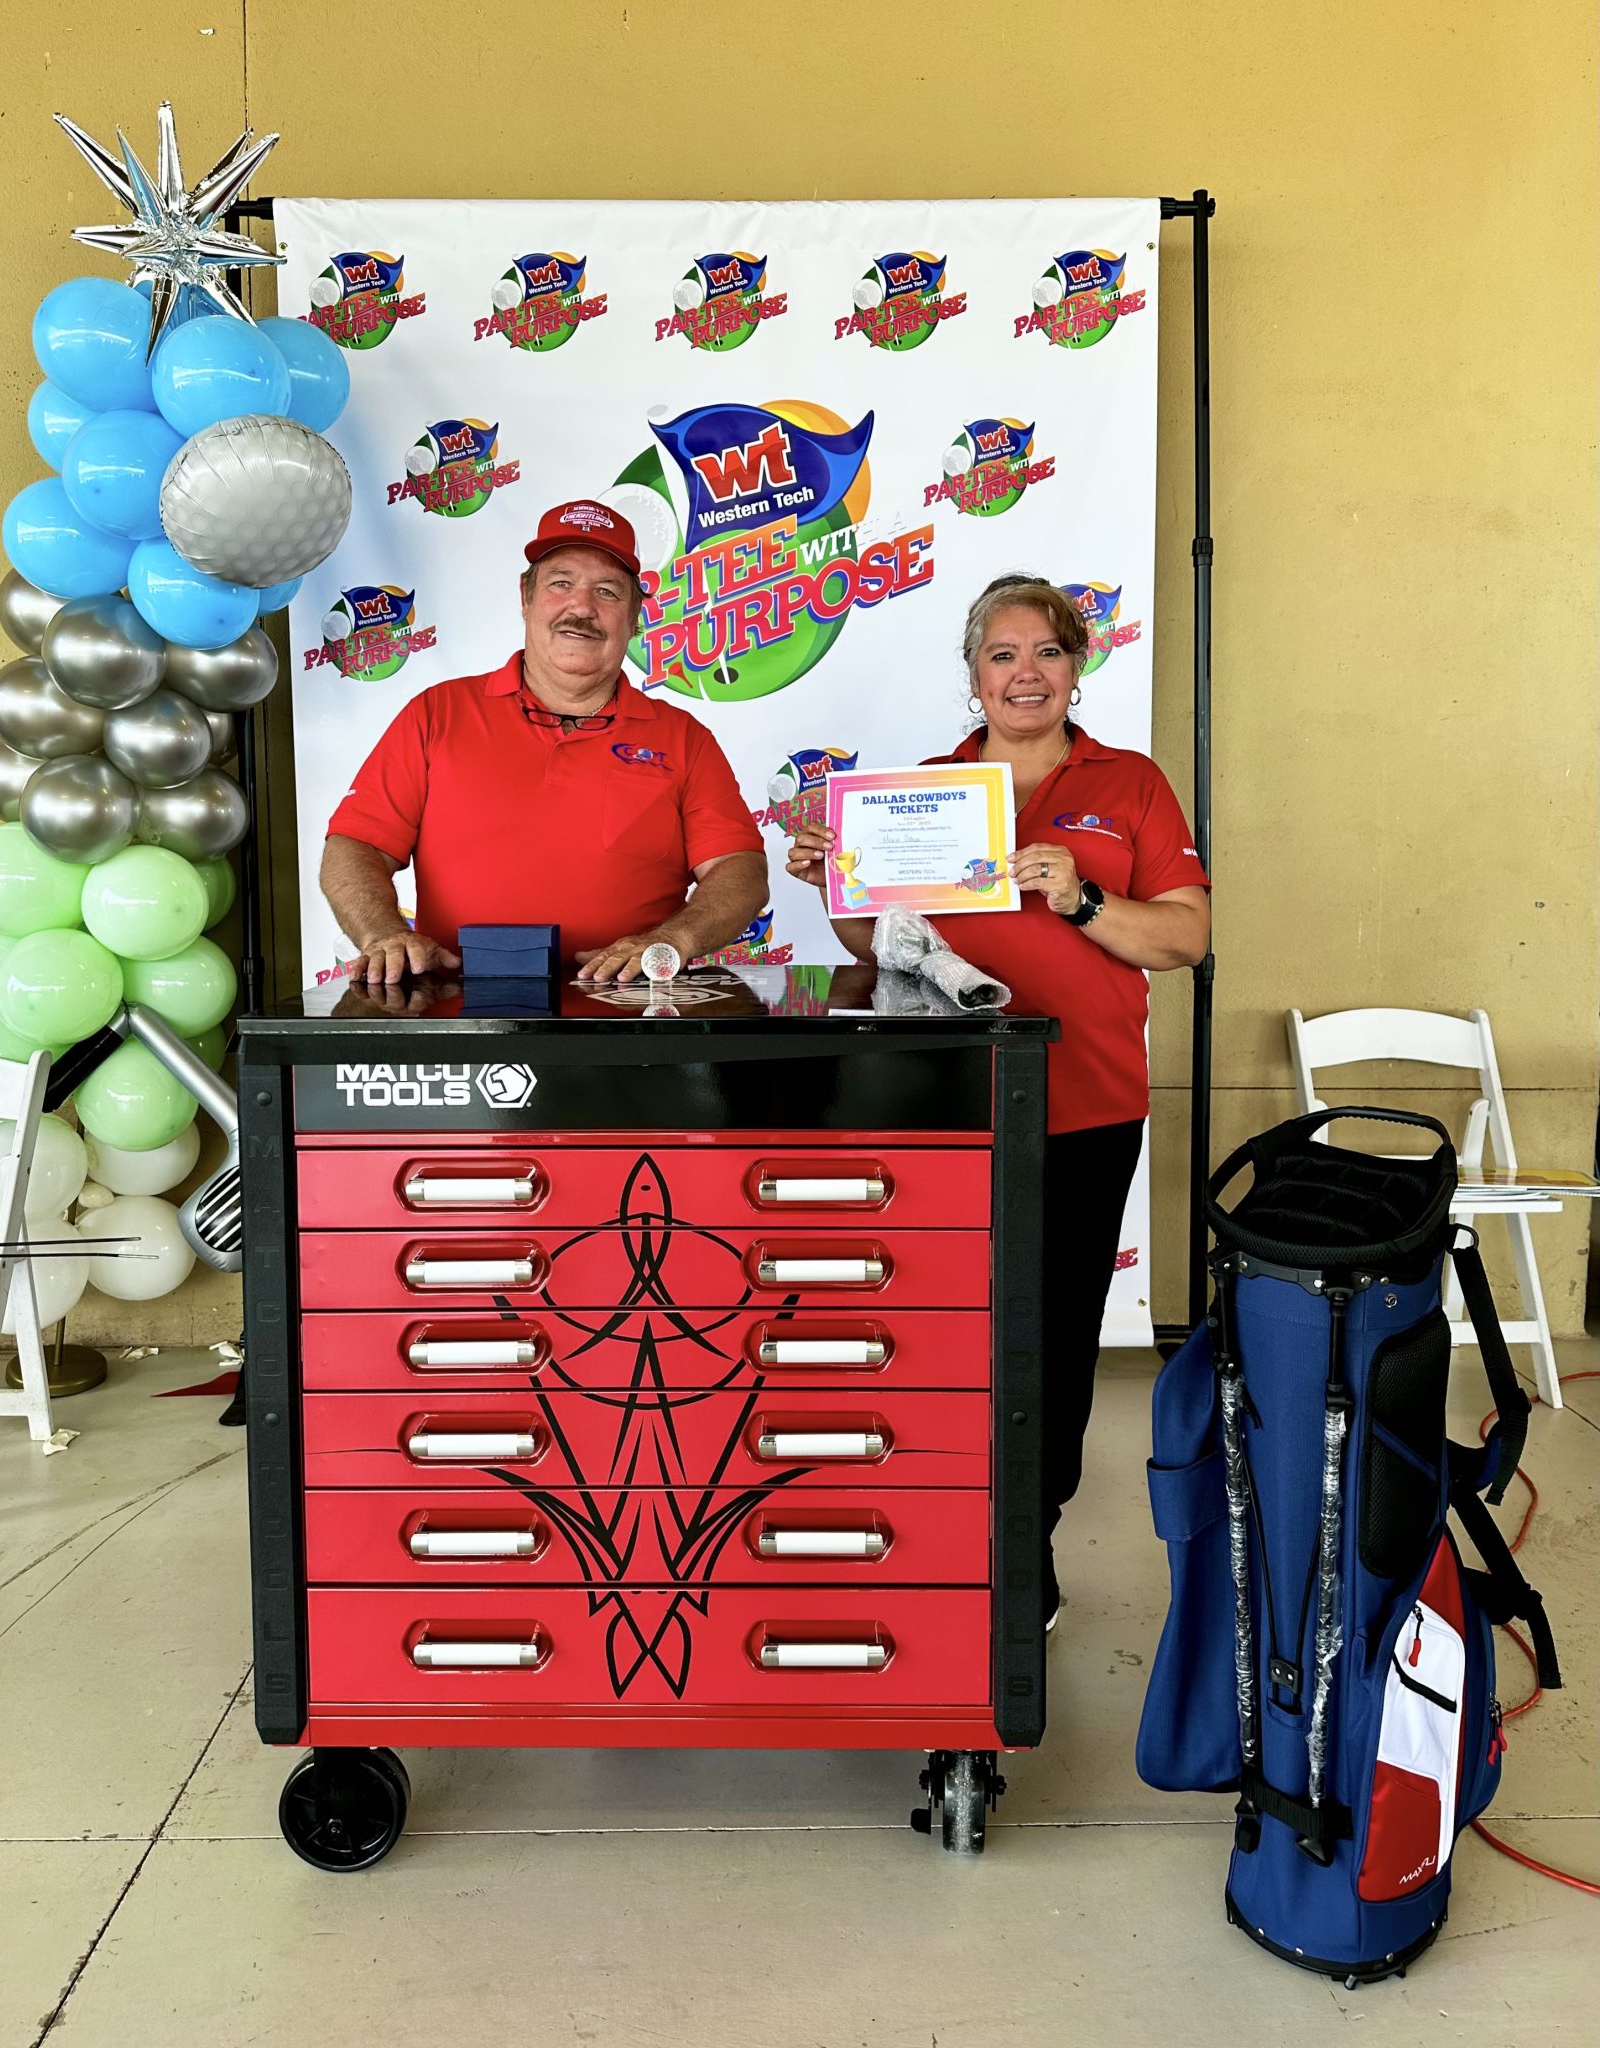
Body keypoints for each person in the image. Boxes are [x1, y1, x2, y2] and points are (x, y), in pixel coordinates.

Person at [786, 573, 1211, 1628]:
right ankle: (931, 1526)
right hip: (940, 1106)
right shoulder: (922, 792)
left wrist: (1082, 897)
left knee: (1055, 1339)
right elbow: (876, 945)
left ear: (1077, 665)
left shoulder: (1132, 783)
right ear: (973, 675)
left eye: (1047, 651)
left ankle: (1028, 1537)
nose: (1026, 673)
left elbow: (1185, 938)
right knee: (933, 1328)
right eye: (1002, 654)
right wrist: (835, 881)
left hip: (1085, 1104)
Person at [321, 499, 768, 985]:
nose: (582, 608)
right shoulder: (437, 714)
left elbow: (739, 869)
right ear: (526, 596)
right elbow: (356, 845)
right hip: (460, 1008)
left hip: (628, 1009)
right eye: (561, 583)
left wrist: (673, 941)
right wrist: (384, 934)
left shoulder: (685, 740)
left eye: (607, 591)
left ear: (636, 616)